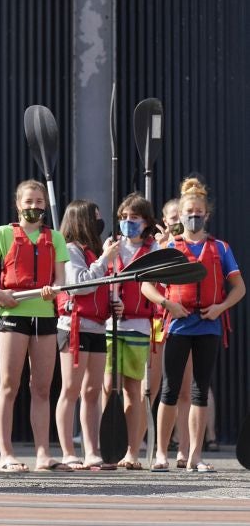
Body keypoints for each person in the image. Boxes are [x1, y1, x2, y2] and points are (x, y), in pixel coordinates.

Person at [143, 177, 244, 473]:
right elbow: (147, 286)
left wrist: (221, 307)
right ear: (181, 214)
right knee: (169, 389)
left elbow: (239, 288)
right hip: (177, 325)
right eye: (189, 211)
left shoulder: (221, 248)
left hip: (209, 325)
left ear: (207, 215)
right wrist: (168, 304)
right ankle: (161, 454)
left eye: (199, 211)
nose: (194, 216)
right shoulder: (170, 248)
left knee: (201, 390)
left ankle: (194, 457)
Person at [0, 180, 69, 473]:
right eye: (28, 202)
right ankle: (6, 455)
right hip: (12, 313)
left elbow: (62, 281)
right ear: (18, 205)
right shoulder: (4, 233)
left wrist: (53, 290)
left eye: (39, 202)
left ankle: (43, 454)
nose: (34, 207)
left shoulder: (55, 238)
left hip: (44, 315)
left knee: (41, 387)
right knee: (9, 385)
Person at [53, 200, 116, 471]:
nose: (99, 223)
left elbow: (101, 287)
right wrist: (105, 260)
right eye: (95, 218)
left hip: (97, 327)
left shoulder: (94, 251)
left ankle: (92, 450)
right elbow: (80, 285)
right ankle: (68, 451)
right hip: (74, 328)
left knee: (93, 391)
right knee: (71, 389)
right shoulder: (70, 250)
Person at [103, 193, 159, 470]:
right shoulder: (111, 246)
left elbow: (157, 286)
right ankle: (106, 449)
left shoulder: (154, 249)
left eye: (134, 218)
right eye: (123, 217)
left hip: (138, 326)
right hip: (110, 325)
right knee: (106, 386)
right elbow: (102, 278)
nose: (127, 222)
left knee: (132, 389)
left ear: (146, 221)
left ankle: (132, 451)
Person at [150, 198, 191, 467]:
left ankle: (184, 448)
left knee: (186, 389)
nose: (177, 222)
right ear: (164, 221)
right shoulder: (159, 248)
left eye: (181, 217)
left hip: (188, 321)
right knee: (154, 385)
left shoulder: (196, 247)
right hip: (157, 322)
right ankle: (150, 446)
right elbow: (149, 286)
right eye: (172, 218)